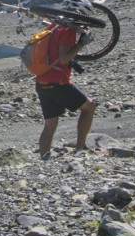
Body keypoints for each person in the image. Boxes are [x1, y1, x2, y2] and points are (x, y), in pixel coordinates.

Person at [35, 15, 96, 160]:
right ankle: (80, 149)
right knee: (89, 107)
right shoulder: (68, 30)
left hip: (42, 82)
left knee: (50, 124)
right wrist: (81, 43)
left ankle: (44, 158)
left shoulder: (55, 26)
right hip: (58, 83)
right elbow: (64, 58)